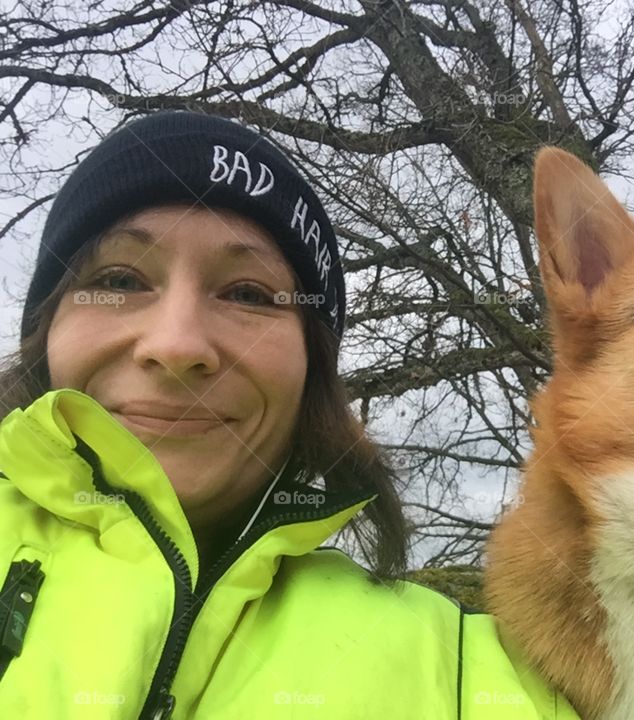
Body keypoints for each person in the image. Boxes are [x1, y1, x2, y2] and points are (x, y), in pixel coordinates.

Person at [0, 110, 579, 719]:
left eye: (248, 293)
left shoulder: (471, 677)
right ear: (47, 328)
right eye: (120, 279)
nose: (176, 345)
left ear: (312, 369)